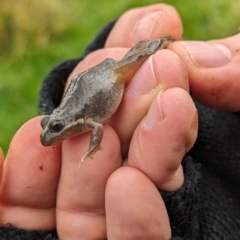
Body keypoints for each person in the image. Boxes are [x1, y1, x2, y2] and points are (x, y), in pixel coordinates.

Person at [0, 3, 240, 240]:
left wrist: (94, 148)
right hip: (99, 81)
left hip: (110, 75)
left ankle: (164, 42)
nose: (49, 135)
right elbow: (91, 120)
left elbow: (97, 126)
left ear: (63, 124)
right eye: (50, 127)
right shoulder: (72, 123)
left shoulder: (80, 122)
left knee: (144, 56)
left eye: (54, 128)